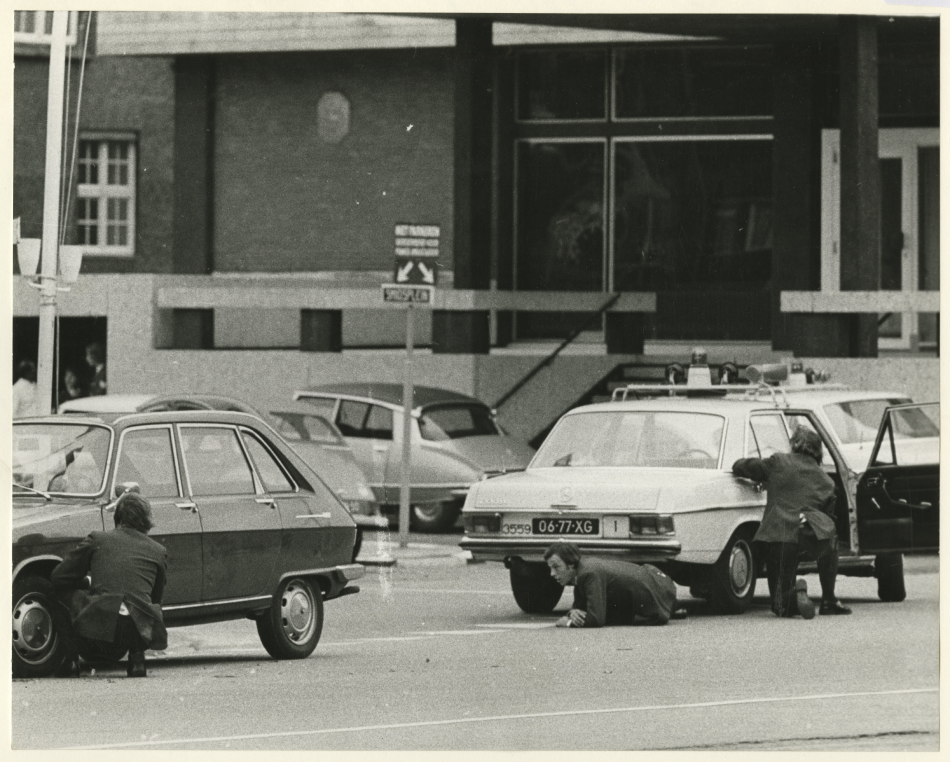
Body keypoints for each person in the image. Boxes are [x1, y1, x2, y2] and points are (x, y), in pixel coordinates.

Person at [732, 427, 852, 619]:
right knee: (831, 541)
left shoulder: (779, 462)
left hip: (779, 537)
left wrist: (745, 467)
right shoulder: (827, 481)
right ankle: (829, 598)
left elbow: (743, 467)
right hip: (810, 540)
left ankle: (793, 600)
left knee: (779, 604)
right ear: (818, 451)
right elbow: (828, 517)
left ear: (794, 445)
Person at [50, 492, 168, 677]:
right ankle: (137, 660)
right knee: (144, 605)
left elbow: (58, 577)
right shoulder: (159, 551)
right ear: (146, 521)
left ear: (117, 518)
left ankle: (70, 660)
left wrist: (86, 582)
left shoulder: (98, 539)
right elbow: (156, 597)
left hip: (99, 628)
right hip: (139, 632)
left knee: (55, 591)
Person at [544, 542, 682, 628]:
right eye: (550, 568)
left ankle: (668, 609)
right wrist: (572, 612)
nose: (552, 574)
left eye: (556, 567)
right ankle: (671, 609)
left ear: (571, 564)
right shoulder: (581, 570)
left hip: (659, 597)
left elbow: (596, 619)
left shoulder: (589, 573)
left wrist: (568, 623)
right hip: (659, 586)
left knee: (609, 616)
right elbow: (580, 606)